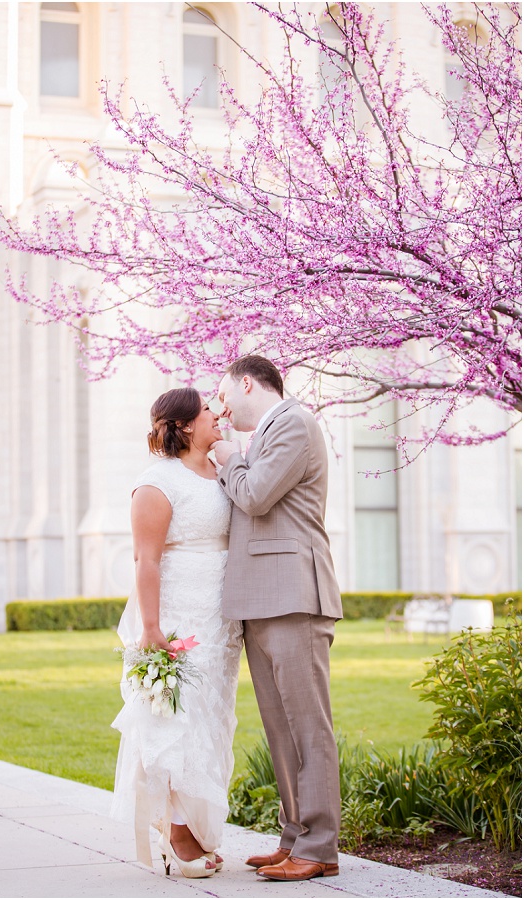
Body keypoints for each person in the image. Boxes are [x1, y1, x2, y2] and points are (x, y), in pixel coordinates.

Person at [212, 354, 343, 882]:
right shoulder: (263, 435)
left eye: (224, 395)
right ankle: (294, 839)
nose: (221, 407)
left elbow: (257, 495)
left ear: (249, 383)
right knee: (280, 728)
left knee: (308, 726)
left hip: (294, 596)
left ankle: (320, 846)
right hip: (260, 600)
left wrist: (226, 457)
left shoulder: (293, 421)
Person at [110, 387, 242, 878]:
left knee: (213, 718)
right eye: (208, 410)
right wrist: (150, 628)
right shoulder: (156, 482)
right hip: (177, 614)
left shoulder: (220, 469)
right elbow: (147, 559)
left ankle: (196, 823)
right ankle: (177, 831)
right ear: (185, 425)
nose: (217, 416)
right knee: (178, 719)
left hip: (220, 618)